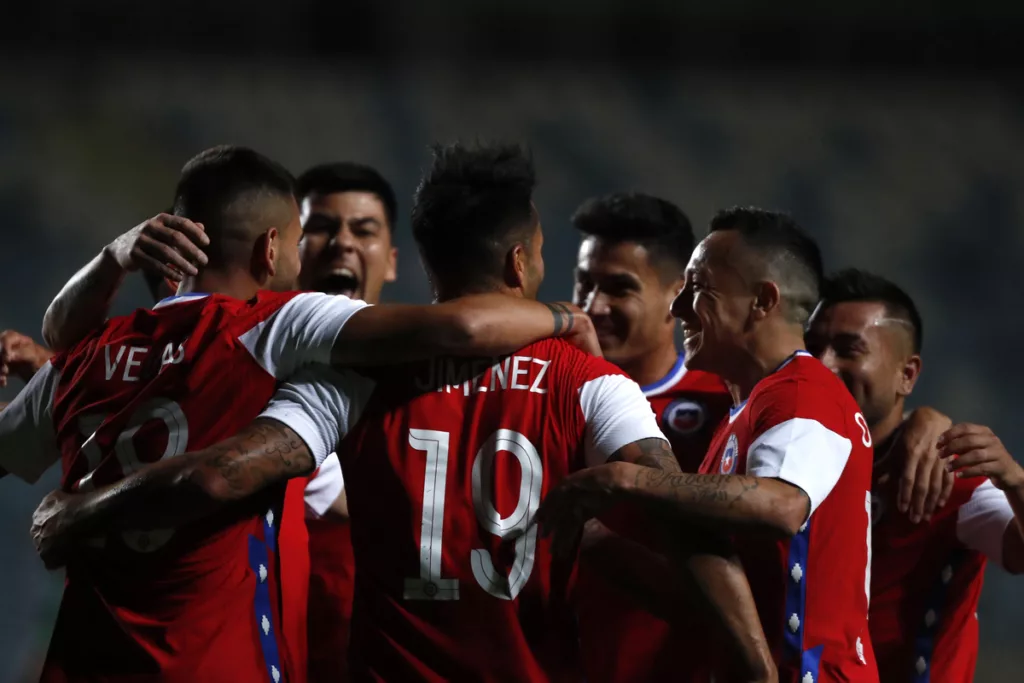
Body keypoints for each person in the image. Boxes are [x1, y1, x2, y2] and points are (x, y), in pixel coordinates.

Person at [32, 143, 775, 683]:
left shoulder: (354, 380)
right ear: (522, 264)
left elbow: (228, 469)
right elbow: (682, 521)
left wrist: (80, 508)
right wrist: (754, 662)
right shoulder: (591, 381)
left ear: (419, 260)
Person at [540, 207, 879, 682]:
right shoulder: (745, 412)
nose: (677, 309)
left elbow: (781, 506)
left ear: (762, 300)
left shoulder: (804, 392)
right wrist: (591, 538)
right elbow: (698, 604)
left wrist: (626, 478)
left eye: (697, 290)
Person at [806, 269, 1024, 682]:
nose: (823, 365)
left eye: (849, 350)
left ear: (907, 374)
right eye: (812, 347)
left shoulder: (947, 473)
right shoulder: (786, 458)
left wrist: (1014, 479)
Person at [569, 192, 733, 682]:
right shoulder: (547, 386)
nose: (593, 307)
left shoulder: (724, 402)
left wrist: (925, 424)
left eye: (619, 288)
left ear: (677, 295)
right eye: (583, 284)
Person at [294, 161, 401, 683]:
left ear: (393, 261)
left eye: (364, 230)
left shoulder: (424, 385)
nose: (342, 243)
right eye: (319, 227)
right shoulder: (241, 371)